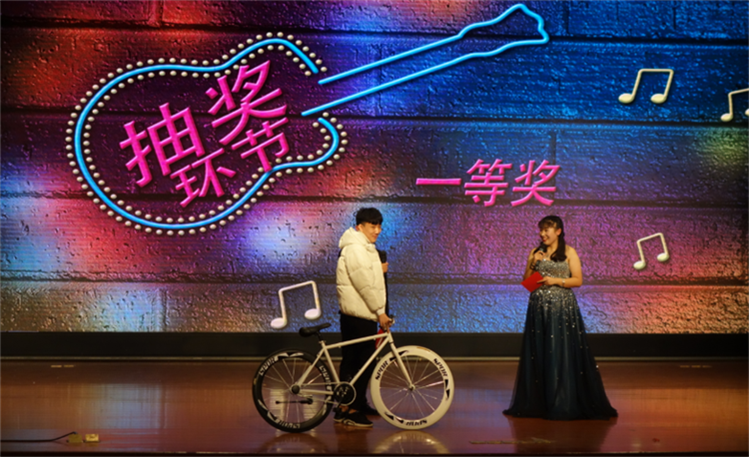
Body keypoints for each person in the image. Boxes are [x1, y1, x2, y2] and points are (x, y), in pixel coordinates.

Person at [503, 215, 617, 420]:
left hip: (561, 309)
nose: (542, 234)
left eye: (546, 229)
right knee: (540, 352)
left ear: (558, 231)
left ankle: (562, 400)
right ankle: (540, 401)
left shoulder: (569, 252)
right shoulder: (536, 253)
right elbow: (528, 284)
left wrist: (555, 281)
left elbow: (578, 280)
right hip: (539, 310)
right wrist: (533, 263)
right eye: (540, 230)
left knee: (559, 352)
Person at [335, 207, 392, 428]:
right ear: (359, 226)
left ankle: (348, 406)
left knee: (354, 362)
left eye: (379, 226)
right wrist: (380, 312)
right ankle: (352, 409)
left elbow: (367, 276)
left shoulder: (362, 247)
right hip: (359, 315)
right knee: (362, 364)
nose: (377, 230)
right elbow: (364, 284)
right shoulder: (356, 249)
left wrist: (379, 270)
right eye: (372, 226)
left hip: (357, 313)